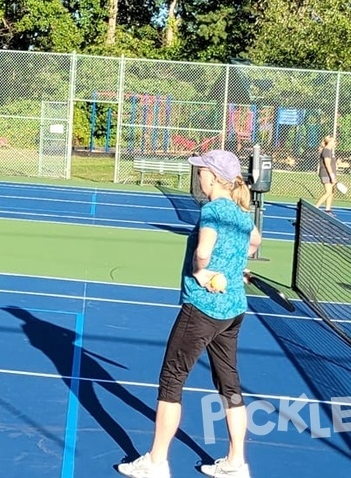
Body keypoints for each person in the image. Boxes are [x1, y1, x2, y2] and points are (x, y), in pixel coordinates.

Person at [118, 149, 262, 478]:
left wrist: (204, 272)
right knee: (230, 383)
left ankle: (156, 461)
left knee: (171, 380)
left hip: (203, 309)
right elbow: (254, 241)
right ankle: (236, 462)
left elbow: (202, 254)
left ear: (212, 177)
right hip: (233, 310)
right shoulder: (242, 213)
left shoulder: (213, 210)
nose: (198, 177)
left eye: (201, 172)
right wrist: (236, 267)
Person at [314, 134, 339, 213]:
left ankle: (328, 210)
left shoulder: (329, 151)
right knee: (328, 192)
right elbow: (327, 164)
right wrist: (332, 176)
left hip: (329, 174)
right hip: (326, 174)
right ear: (330, 142)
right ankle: (315, 208)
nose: (336, 143)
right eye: (334, 141)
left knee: (331, 192)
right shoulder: (327, 150)